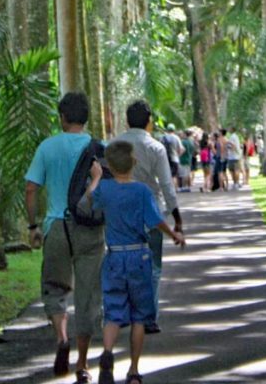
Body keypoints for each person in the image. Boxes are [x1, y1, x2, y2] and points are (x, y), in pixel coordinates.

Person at [80, 141, 185, 384]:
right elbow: (156, 221)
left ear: (109, 165)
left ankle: (107, 354)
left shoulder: (104, 189)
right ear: (134, 163)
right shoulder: (141, 192)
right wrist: (174, 235)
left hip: (114, 256)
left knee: (113, 312)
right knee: (139, 315)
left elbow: (87, 201)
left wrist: (95, 177)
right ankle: (134, 371)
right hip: (139, 255)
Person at [24, 92, 104, 383]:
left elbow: (31, 188)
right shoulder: (98, 148)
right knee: (87, 294)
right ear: (85, 118)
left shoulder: (47, 147)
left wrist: (33, 226)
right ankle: (82, 364)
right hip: (90, 229)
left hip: (56, 226)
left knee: (54, 288)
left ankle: (61, 337)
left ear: (62, 117)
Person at [114, 100, 184, 333]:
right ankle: (148, 317)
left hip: (122, 213)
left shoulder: (115, 145)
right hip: (150, 212)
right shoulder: (155, 148)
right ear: (149, 122)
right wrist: (177, 218)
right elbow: (166, 184)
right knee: (152, 265)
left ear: (127, 121)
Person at [160, 122, 184, 189]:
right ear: (174, 130)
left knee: (167, 175)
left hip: (165, 159)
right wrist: (178, 155)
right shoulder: (176, 138)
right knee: (174, 175)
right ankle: (174, 189)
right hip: (174, 159)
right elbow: (181, 149)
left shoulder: (163, 137)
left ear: (167, 130)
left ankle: (168, 189)